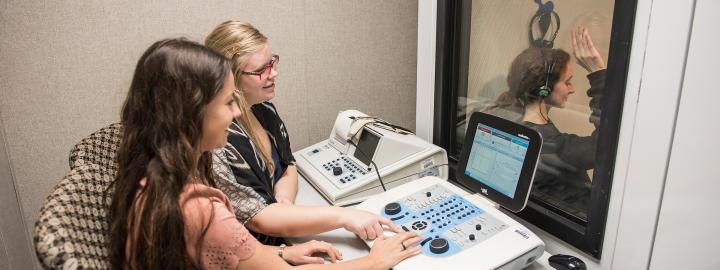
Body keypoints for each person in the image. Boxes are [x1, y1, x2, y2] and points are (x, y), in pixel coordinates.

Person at [108, 38, 422, 269]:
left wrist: (280, 253)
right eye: (228, 102)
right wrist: (374, 261)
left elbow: (223, 250)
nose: (234, 114)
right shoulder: (198, 210)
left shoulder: (149, 178)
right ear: (192, 112)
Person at [204, 20, 400, 248]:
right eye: (261, 70)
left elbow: (288, 163)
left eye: (272, 62)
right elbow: (259, 218)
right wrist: (345, 217)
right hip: (256, 251)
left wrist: (284, 199)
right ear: (231, 77)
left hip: (284, 236)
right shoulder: (219, 137)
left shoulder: (263, 108)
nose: (274, 73)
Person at [485, 27, 606, 218]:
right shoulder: (550, 145)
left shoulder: (511, 121)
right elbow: (608, 144)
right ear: (544, 88)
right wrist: (598, 73)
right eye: (567, 82)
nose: (572, 89)